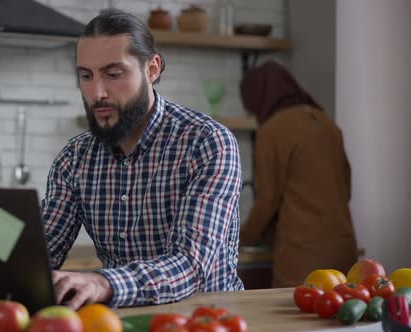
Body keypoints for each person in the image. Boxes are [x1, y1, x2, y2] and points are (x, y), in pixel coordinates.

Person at [41, 8, 244, 310]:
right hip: (118, 322)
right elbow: (41, 249)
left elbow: (191, 266)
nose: (96, 93)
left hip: (207, 320)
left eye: (113, 74)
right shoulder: (74, 159)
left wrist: (102, 283)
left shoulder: (208, 143)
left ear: (152, 70)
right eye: (86, 76)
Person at [238, 61, 358, 288]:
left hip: (302, 259)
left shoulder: (272, 130)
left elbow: (267, 202)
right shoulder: (327, 123)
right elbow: (347, 187)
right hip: (345, 253)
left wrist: (242, 238)